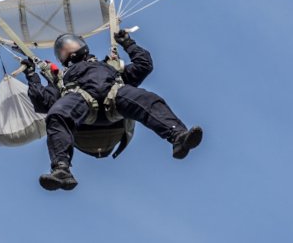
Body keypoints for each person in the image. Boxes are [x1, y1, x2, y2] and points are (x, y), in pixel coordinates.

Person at [22, 30, 202, 191]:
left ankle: (178, 137)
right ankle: (61, 169)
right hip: (81, 106)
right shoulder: (61, 81)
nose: (68, 50)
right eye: (63, 50)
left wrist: (127, 43)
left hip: (114, 97)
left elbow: (144, 65)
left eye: (71, 45)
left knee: (148, 99)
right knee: (57, 114)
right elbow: (42, 102)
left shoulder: (111, 68)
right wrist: (32, 77)